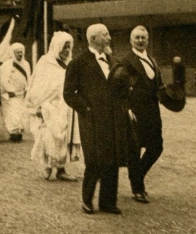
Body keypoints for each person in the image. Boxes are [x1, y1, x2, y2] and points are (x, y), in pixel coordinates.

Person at [63, 23, 129, 215]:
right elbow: (69, 93)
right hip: (92, 120)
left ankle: (108, 202)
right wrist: (86, 108)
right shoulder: (78, 63)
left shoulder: (113, 61)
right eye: (105, 35)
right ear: (93, 39)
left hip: (113, 118)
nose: (109, 38)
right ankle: (87, 200)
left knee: (112, 158)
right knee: (94, 160)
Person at [120, 26, 165, 204]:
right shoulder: (126, 61)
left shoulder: (151, 59)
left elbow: (157, 84)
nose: (140, 41)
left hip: (152, 111)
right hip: (135, 111)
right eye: (137, 38)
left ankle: (137, 176)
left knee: (157, 146)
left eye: (143, 38)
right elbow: (120, 87)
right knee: (135, 149)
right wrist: (127, 109)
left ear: (147, 40)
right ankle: (137, 188)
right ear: (131, 41)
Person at [26, 32, 80, 181]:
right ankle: (47, 166)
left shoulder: (69, 64)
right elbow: (36, 86)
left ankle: (61, 169)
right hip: (48, 107)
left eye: (69, 47)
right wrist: (37, 106)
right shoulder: (45, 62)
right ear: (57, 47)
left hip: (65, 106)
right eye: (64, 47)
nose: (67, 51)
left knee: (63, 138)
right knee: (48, 137)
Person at [0, 42, 31, 142]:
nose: (20, 54)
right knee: (12, 113)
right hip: (11, 94)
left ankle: (19, 130)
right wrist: (10, 90)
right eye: (18, 52)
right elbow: (4, 79)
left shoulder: (26, 64)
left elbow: (28, 78)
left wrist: (27, 89)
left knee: (21, 113)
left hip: (22, 93)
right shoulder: (7, 64)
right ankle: (14, 132)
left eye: (21, 52)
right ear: (13, 53)